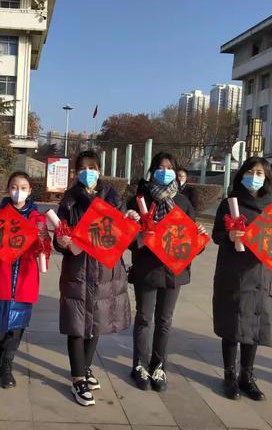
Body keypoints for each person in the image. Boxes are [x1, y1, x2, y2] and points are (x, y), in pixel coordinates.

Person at [54, 150, 139, 406]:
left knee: (97, 321)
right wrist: (61, 242)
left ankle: (86, 367)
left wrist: (132, 221)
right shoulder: (69, 201)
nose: (87, 172)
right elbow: (59, 236)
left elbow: (127, 236)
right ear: (77, 173)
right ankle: (78, 378)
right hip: (78, 270)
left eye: (92, 168)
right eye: (82, 169)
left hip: (105, 271)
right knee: (77, 324)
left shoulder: (114, 198)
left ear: (99, 170)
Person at [127, 152, 207, 392]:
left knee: (164, 321)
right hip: (146, 269)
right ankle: (139, 365)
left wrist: (199, 237)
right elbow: (128, 240)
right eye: (160, 167)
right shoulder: (138, 201)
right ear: (152, 170)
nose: (165, 171)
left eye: (169, 167)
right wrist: (140, 237)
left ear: (175, 172)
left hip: (174, 271)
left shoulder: (183, 203)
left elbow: (191, 243)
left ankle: (158, 365)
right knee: (144, 318)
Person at [0, 172, 50, 389]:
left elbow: (45, 247)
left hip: (24, 277)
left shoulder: (38, 219)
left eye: (23, 187)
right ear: (8, 189)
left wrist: (43, 246)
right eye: (14, 187)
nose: (18, 191)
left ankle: (6, 365)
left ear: (29, 190)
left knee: (17, 324)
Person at [212, 157, 272, 401]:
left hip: (261, 273)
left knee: (254, 327)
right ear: (242, 174)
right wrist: (229, 234)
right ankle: (229, 375)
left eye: (260, 173)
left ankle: (247, 376)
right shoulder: (230, 203)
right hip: (235, 273)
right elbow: (216, 235)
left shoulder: (270, 206)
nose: (255, 176)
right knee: (232, 325)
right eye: (250, 171)